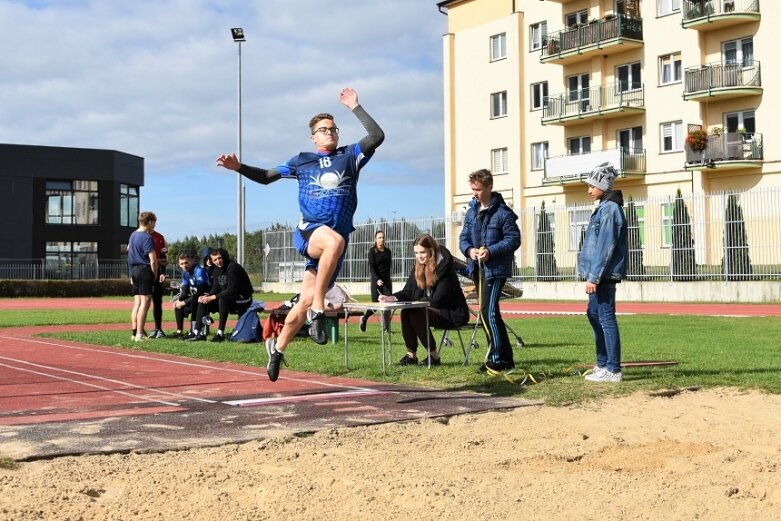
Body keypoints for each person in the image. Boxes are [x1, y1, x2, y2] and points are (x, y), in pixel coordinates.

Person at [216, 87, 384, 382]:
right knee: (334, 241)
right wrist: (238, 167)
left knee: (304, 299)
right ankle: (319, 310)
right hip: (310, 233)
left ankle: (277, 348)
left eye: (333, 128)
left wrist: (356, 107)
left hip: (333, 247)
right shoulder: (302, 160)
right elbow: (268, 177)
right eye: (323, 129)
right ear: (313, 137)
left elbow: (377, 136)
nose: (329, 132)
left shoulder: (350, 156)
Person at [459, 168, 521, 374]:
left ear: (489, 187)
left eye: (478, 189)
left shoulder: (503, 213)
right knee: (491, 314)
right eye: (472, 189)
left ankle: (495, 359)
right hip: (477, 269)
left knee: (488, 312)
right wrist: (470, 250)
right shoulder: (471, 212)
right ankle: (506, 358)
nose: (474, 193)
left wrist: (491, 252)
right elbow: (463, 239)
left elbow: (514, 239)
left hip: (496, 270)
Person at [379, 234, 469, 366]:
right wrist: (391, 298)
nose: (419, 256)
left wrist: (416, 303)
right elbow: (407, 291)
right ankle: (411, 356)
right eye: (416, 252)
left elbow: (438, 300)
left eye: (422, 252)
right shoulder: (418, 266)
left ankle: (434, 357)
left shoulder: (445, 267)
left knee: (416, 312)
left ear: (431, 250)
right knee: (406, 312)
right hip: (429, 309)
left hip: (451, 312)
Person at [578, 162, 628, 383]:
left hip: (603, 275)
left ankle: (613, 369)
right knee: (593, 314)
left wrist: (594, 277)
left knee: (606, 317)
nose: (589, 190)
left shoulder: (610, 209)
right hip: (597, 274)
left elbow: (605, 246)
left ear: (603, 185)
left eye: (591, 185)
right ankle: (602, 364)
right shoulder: (604, 207)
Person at [186, 248, 254, 343]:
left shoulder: (233, 267)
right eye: (215, 260)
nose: (218, 261)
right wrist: (207, 296)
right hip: (227, 298)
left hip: (244, 298)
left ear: (224, 257)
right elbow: (215, 289)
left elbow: (232, 290)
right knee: (203, 301)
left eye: (219, 258)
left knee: (222, 299)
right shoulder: (216, 270)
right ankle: (197, 332)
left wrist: (212, 297)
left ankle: (220, 334)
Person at [127, 211, 158, 342]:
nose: (154, 226)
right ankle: (140, 334)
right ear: (150, 222)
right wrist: (154, 274)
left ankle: (134, 332)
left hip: (134, 270)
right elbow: (153, 260)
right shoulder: (147, 237)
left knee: (137, 303)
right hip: (144, 270)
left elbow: (129, 256)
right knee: (145, 303)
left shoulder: (132, 235)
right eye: (154, 223)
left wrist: (130, 274)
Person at [171, 253, 211, 338]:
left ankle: (193, 331)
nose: (184, 265)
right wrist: (179, 300)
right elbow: (185, 292)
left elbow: (200, 291)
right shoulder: (185, 273)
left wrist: (184, 302)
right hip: (195, 298)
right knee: (178, 305)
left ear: (191, 261)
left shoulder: (198, 270)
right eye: (181, 264)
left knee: (191, 302)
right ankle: (179, 331)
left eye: (186, 262)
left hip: (205, 298)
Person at [359, 229, 392, 333]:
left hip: (386, 282)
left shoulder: (388, 252)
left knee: (388, 304)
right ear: (375, 239)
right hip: (376, 282)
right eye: (379, 237)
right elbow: (372, 269)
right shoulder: (372, 252)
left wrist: (387, 281)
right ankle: (364, 318)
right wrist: (377, 279)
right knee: (375, 306)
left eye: (383, 237)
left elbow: (388, 267)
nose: (382, 239)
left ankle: (386, 328)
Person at [149, 227, 168, 338]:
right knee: (142, 302)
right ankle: (139, 330)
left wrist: (162, 272)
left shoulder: (159, 237)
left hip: (157, 273)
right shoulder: (138, 236)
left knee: (157, 301)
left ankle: (158, 329)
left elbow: (163, 257)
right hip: (144, 273)